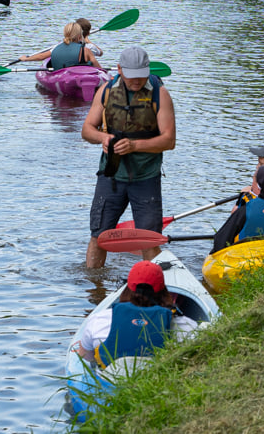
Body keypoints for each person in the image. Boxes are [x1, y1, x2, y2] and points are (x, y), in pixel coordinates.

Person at [81, 46, 176, 268]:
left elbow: (169, 140)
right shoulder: (105, 90)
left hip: (146, 177)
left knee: (148, 239)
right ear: (120, 70)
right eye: (132, 76)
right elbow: (87, 130)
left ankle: (152, 285)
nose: (136, 81)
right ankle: (95, 290)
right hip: (111, 176)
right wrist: (102, 138)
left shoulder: (159, 94)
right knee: (99, 236)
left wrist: (134, 145)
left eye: (141, 76)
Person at [77, 260, 198, 369]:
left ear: (127, 289)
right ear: (164, 292)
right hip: (158, 381)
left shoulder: (99, 320)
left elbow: (86, 357)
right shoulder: (186, 326)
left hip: (111, 381)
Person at [17, 22, 102, 69]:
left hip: (61, 76)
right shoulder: (86, 50)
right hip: (82, 78)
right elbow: (100, 70)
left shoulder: (56, 48)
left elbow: (41, 56)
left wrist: (26, 59)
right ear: (79, 36)